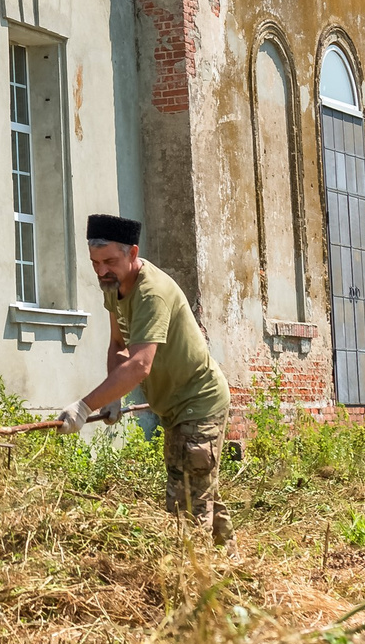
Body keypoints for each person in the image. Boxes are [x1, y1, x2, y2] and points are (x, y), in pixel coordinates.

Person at [58, 213, 234, 542]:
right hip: (175, 405)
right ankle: (229, 566)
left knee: (187, 503)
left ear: (133, 253)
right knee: (199, 489)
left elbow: (139, 364)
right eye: (95, 262)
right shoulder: (114, 286)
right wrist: (114, 396)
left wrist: (84, 406)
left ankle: (198, 578)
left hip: (198, 401)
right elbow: (117, 343)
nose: (101, 271)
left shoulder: (152, 293)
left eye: (109, 261)